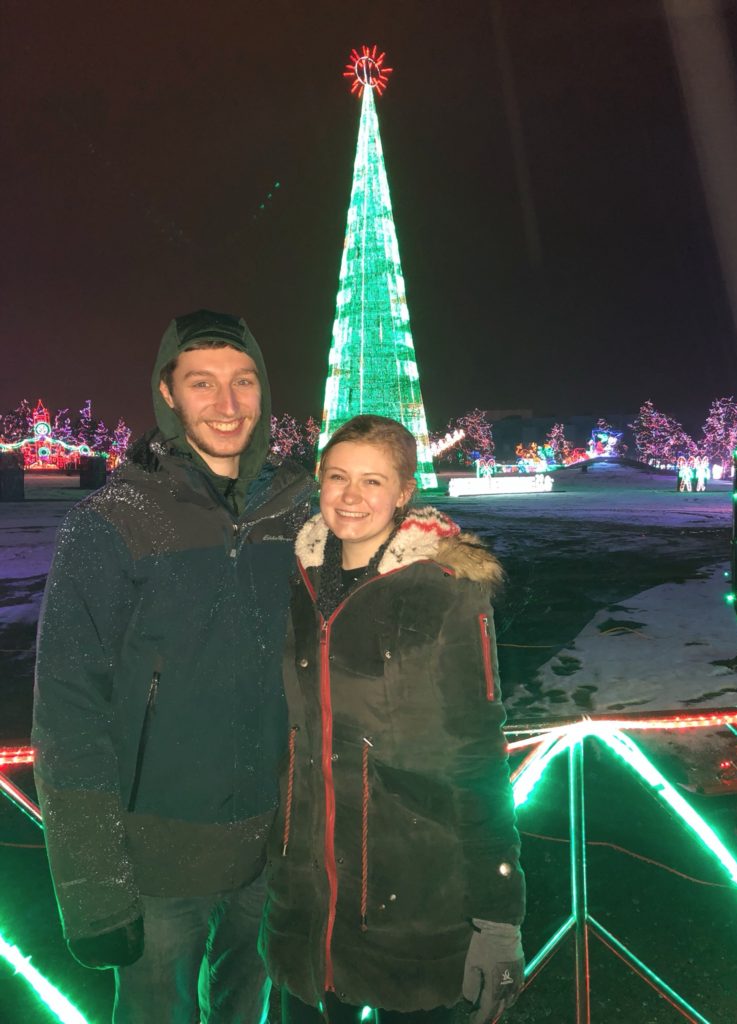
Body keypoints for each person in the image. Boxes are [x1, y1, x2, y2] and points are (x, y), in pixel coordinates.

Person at [32, 309, 311, 1023]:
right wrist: (95, 887)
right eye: (203, 383)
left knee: (247, 1011)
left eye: (243, 382)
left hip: (272, 846)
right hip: (155, 864)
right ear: (168, 392)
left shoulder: (295, 509)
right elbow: (69, 710)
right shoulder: (114, 519)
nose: (227, 404)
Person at [260, 415, 525, 1024]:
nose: (351, 497)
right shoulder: (293, 579)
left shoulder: (445, 591)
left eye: (373, 481)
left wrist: (497, 913)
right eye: (337, 477)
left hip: (415, 890)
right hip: (306, 894)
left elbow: (477, 754)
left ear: (405, 491)